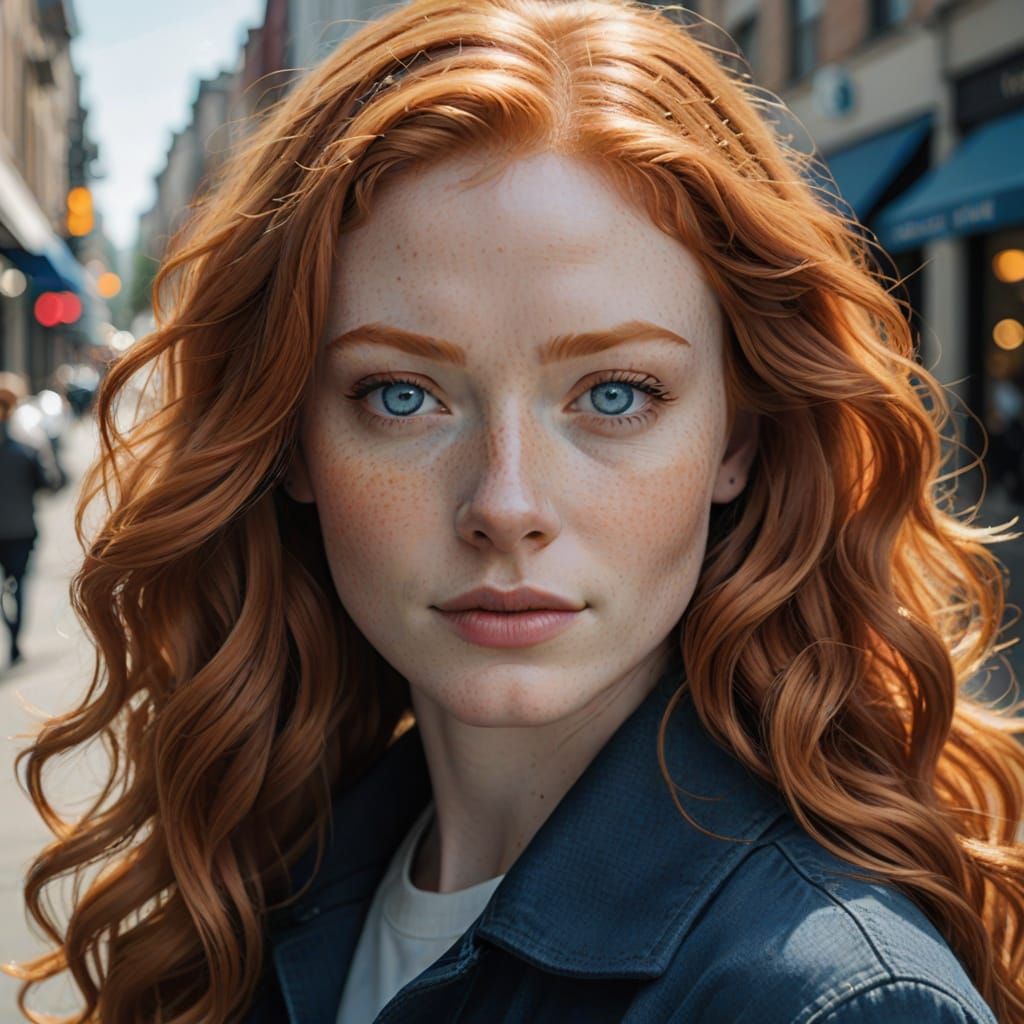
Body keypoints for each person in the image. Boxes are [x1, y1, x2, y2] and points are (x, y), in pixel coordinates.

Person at [5, 0, 1023, 1021]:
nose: (505, 504)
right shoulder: (264, 881)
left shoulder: (833, 1000)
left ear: (738, 437)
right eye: (401, 393)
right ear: (290, 440)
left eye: (615, 393)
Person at [0, 374, 61, 667]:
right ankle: (14, 639)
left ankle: (9, 629)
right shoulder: (27, 446)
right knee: (19, 584)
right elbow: (48, 482)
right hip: (21, 528)